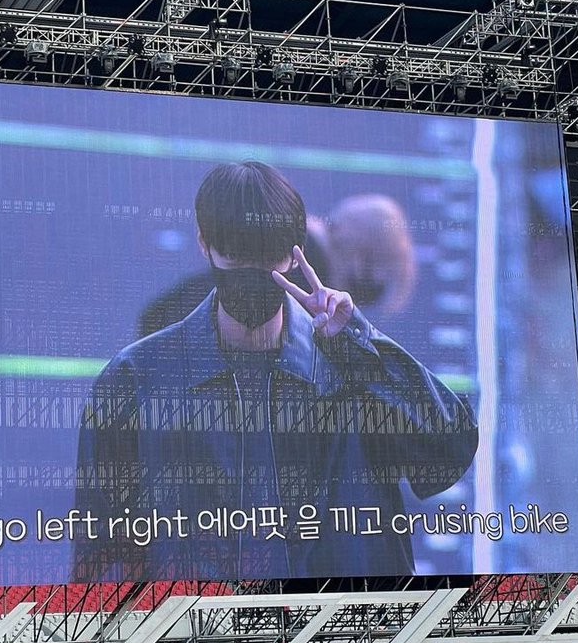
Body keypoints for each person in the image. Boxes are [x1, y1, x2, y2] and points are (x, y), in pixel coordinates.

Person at [73, 161, 477, 582]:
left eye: (268, 256)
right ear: (206, 244)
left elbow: (448, 451)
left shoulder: (350, 370)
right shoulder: (135, 378)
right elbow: (101, 552)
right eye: (238, 254)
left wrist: (359, 343)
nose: (255, 273)